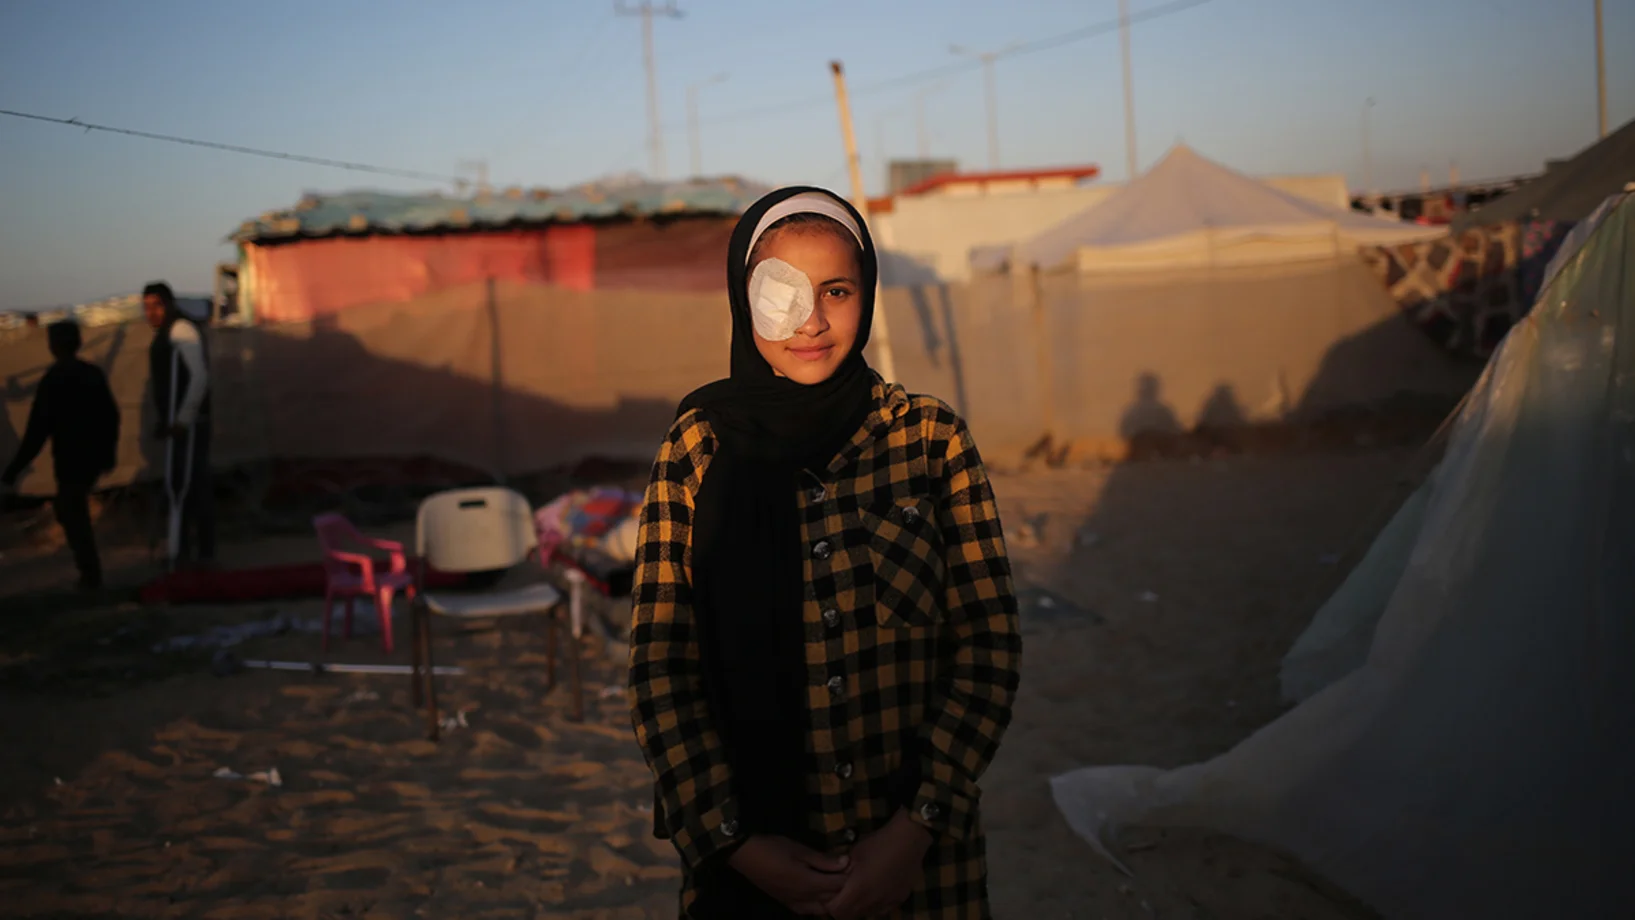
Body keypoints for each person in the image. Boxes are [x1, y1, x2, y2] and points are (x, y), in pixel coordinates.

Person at [628, 187, 1023, 919]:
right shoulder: (697, 448)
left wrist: (915, 828)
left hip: (920, 872)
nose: (810, 320)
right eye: (782, 292)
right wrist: (736, 842)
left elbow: (988, 644)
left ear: (866, 293)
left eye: (835, 291)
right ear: (742, 301)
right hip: (749, 864)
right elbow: (660, 664)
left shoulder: (929, 442)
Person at [1, 320, 121, 589]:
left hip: (70, 459)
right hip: (89, 457)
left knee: (70, 511)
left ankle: (90, 574)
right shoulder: (91, 374)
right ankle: (89, 572)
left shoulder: (54, 380)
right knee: (71, 509)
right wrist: (108, 453)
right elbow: (111, 417)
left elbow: (37, 431)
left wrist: (14, 469)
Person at [143, 281, 216, 567]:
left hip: (192, 424)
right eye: (147, 307)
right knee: (182, 486)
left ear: (170, 304)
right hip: (179, 424)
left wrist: (183, 419)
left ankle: (203, 553)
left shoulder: (181, 330)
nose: (151, 313)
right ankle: (182, 548)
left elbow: (199, 377)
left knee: (193, 486)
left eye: (157, 306)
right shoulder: (166, 333)